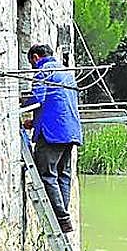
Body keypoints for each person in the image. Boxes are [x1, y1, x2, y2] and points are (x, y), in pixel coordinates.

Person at [21, 44, 82, 233]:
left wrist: (21, 103)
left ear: (36, 57)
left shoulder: (43, 72)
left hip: (52, 134)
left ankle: (61, 218)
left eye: (32, 63)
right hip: (70, 131)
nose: (33, 68)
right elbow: (57, 103)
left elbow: (37, 98)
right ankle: (64, 217)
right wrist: (34, 122)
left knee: (47, 174)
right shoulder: (67, 73)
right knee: (64, 175)